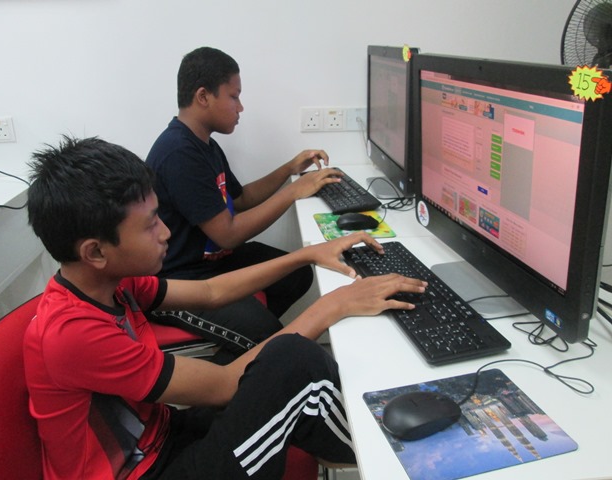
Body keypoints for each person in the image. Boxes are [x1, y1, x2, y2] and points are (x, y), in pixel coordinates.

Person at [24, 136, 426, 480]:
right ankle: (393, 458)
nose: (165, 232)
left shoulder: (110, 280)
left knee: (289, 379)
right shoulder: (73, 333)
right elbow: (224, 383)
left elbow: (211, 292)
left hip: (164, 436)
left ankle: (371, 441)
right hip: (147, 471)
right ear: (95, 252)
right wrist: (334, 304)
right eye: (150, 225)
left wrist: (306, 255)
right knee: (295, 363)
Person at [146, 46, 344, 361]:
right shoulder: (179, 153)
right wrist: (293, 192)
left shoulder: (204, 144)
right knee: (267, 336)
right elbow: (228, 234)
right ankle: (245, 356)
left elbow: (240, 199)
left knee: (296, 274)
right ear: (203, 96)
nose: (240, 107)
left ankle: (241, 347)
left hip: (209, 264)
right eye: (234, 96)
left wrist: (289, 170)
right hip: (178, 281)